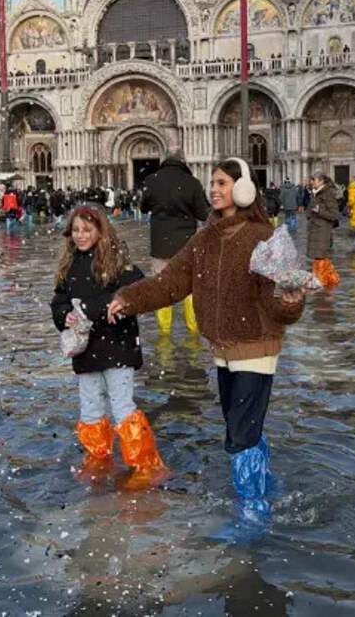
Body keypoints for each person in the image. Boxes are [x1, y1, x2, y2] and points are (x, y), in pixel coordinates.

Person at [108, 158, 305, 519]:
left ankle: (252, 514)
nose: (214, 189)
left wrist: (291, 302)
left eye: (222, 183)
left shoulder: (262, 237)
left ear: (244, 189)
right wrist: (127, 298)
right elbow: (170, 283)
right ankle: (264, 484)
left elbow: (277, 300)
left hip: (256, 344)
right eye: (212, 183)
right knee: (240, 425)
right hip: (222, 348)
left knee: (239, 435)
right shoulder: (203, 240)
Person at [50, 205, 165, 484]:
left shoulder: (118, 262)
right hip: (86, 350)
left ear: (100, 231)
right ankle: (98, 458)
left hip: (117, 346)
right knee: (89, 407)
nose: (80, 235)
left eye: (87, 230)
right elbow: (59, 298)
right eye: (76, 230)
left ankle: (144, 465)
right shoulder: (69, 265)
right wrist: (63, 313)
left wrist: (91, 308)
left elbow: (136, 291)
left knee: (122, 406)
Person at [139, 148, 210, 335]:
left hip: (160, 245)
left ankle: (164, 333)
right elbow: (203, 214)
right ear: (183, 162)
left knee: (162, 288)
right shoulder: (192, 183)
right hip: (186, 246)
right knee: (190, 289)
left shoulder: (151, 181)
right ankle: (193, 332)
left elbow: (143, 207)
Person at [306, 171, 340, 287]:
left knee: (320, 259)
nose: (311, 182)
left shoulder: (328, 194)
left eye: (313, 180)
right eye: (311, 180)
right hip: (316, 231)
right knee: (321, 259)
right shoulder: (316, 193)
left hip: (322, 232)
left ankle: (320, 283)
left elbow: (334, 215)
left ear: (321, 181)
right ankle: (330, 281)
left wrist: (319, 211)